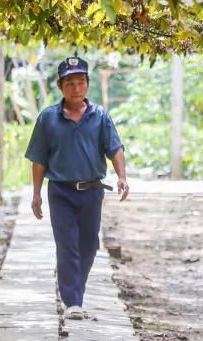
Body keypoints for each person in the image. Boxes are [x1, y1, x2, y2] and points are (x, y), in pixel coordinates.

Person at [25, 56, 129, 320]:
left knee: (89, 246)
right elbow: (39, 159)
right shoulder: (48, 118)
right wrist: (36, 194)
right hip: (60, 191)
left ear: (87, 85)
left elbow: (114, 148)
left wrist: (122, 177)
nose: (76, 88)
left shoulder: (100, 116)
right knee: (67, 245)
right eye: (70, 83)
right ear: (61, 86)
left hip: (92, 191)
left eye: (81, 82)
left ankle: (75, 293)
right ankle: (73, 300)